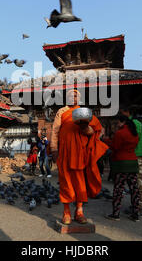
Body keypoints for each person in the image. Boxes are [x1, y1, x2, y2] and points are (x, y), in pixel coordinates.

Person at [51, 89, 108, 225]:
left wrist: (85, 127)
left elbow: (95, 132)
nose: (73, 97)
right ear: (67, 98)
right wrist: (54, 149)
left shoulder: (84, 113)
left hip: (80, 153)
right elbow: (55, 131)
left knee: (80, 182)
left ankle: (79, 211)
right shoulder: (62, 112)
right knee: (65, 182)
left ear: (79, 99)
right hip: (65, 152)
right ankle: (66, 212)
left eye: (76, 95)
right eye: (71, 95)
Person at [105, 115, 141, 222]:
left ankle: (116, 214)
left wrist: (105, 140)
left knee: (118, 190)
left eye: (117, 123)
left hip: (121, 164)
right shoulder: (135, 134)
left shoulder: (120, 133)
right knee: (134, 190)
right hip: (133, 163)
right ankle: (136, 214)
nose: (117, 125)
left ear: (122, 122)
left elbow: (115, 147)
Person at [120, 107, 142, 213]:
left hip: (135, 155)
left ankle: (140, 204)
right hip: (136, 154)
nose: (121, 114)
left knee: (138, 180)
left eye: (122, 111)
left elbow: (132, 139)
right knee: (137, 180)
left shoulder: (133, 123)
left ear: (128, 112)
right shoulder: (135, 122)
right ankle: (140, 203)